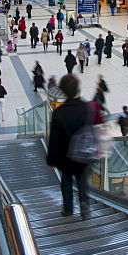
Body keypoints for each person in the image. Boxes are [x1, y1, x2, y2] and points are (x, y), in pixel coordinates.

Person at [46, 74, 96, 218]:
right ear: (77, 89)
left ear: (62, 91)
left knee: (66, 180)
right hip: (83, 153)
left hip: (65, 156)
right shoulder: (86, 107)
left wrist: (51, 160)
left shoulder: (59, 113)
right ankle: (84, 204)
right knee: (82, 178)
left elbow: (54, 139)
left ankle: (68, 208)